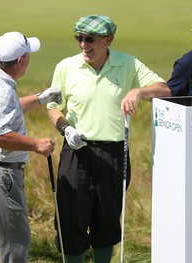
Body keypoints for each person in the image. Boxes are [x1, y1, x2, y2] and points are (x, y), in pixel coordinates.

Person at [46, 14, 171, 263]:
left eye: (90, 39)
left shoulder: (128, 64)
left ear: (109, 40)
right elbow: (52, 107)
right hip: (75, 151)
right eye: (79, 38)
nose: (83, 45)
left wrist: (138, 91)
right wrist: (65, 129)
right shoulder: (66, 67)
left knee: (107, 219)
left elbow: (165, 89)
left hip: (114, 153)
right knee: (71, 219)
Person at [0, 31, 61, 263]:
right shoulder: (2, 90)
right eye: (28, 55)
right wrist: (36, 144)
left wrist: (39, 98)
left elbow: (8, 110)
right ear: (20, 61)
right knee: (15, 243)